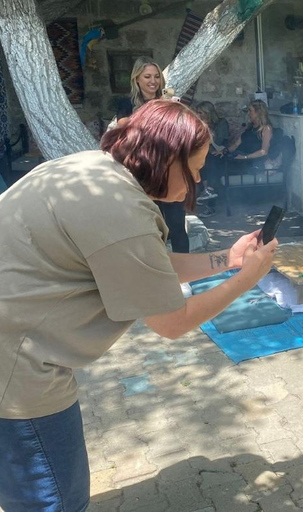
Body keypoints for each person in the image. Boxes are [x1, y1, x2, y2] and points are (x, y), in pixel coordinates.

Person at [0, 100, 277, 512]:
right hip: (18, 369)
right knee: (55, 500)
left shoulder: (96, 171)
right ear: (166, 158)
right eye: (194, 167)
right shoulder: (119, 208)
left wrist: (226, 259)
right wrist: (246, 280)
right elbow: (170, 322)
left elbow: (149, 266)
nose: (199, 178)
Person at [114, 57, 189, 252]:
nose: (152, 81)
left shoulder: (168, 99)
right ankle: (157, 273)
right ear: (136, 79)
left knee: (177, 227)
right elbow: (124, 126)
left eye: (156, 76)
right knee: (150, 229)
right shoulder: (126, 103)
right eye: (147, 76)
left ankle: (187, 278)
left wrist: (175, 110)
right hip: (143, 174)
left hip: (169, 171)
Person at [195, 101, 229, 217]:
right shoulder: (198, 125)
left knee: (210, 161)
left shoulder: (221, 123)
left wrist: (207, 128)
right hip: (206, 155)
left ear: (207, 113)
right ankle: (207, 191)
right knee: (200, 162)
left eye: (200, 113)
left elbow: (218, 141)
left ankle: (208, 199)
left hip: (220, 154)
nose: (198, 115)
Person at [225, 99, 273, 164]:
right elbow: (236, 144)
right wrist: (224, 151)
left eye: (250, 111)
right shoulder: (250, 127)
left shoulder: (266, 128)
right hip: (238, 155)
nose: (248, 113)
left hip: (250, 160)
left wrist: (245, 157)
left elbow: (264, 151)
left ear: (258, 112)